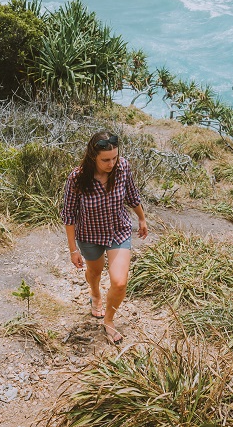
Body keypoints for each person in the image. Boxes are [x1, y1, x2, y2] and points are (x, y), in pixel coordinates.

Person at [61, 130, 148, 345]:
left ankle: (108, 321)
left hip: (118, 230)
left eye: (115, 157)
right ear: (93, 157)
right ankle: (95, 294)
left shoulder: (123, 168)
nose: (112, 164)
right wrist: (73, 250)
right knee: (95, 271)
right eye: (105, 160)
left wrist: (142, 219)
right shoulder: (77, 178)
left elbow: (132, 195)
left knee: (119, 283)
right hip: (89, 235)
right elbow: (69, 216)